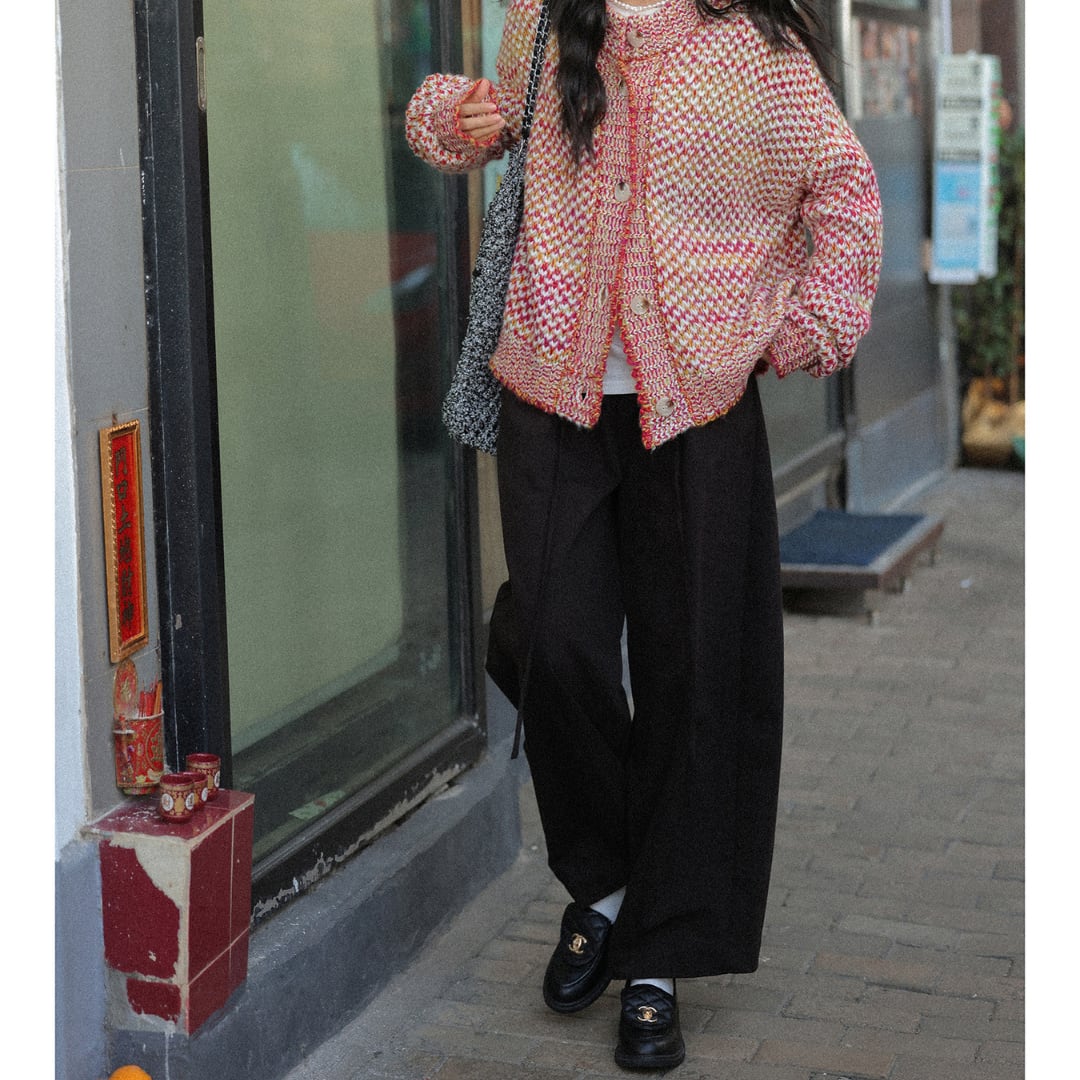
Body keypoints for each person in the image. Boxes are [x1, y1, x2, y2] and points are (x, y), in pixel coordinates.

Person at [406, 0, 882, 1069]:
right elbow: (473, 127)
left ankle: (658, 954)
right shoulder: (541, 19)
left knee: (695, 671)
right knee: (552, 640)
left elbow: (844, 186)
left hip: (699, 407)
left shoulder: (752, 44)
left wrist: (806, 327)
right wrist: (454, 115)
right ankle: (609, 881)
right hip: (550, 388)